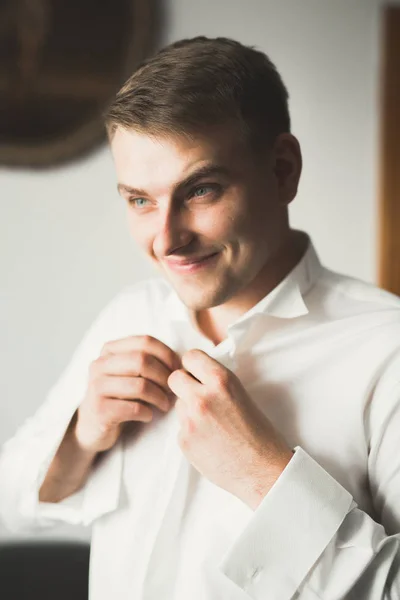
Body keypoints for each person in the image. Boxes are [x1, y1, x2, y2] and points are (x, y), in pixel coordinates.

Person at [1, 36, 400, 599]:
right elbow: (8, 511)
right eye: (139, 200)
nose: (167, 240)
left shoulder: (388, 350)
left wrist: (265, 477)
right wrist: (82, 436)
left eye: (201, 190)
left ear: (283, 170)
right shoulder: (132, 315)